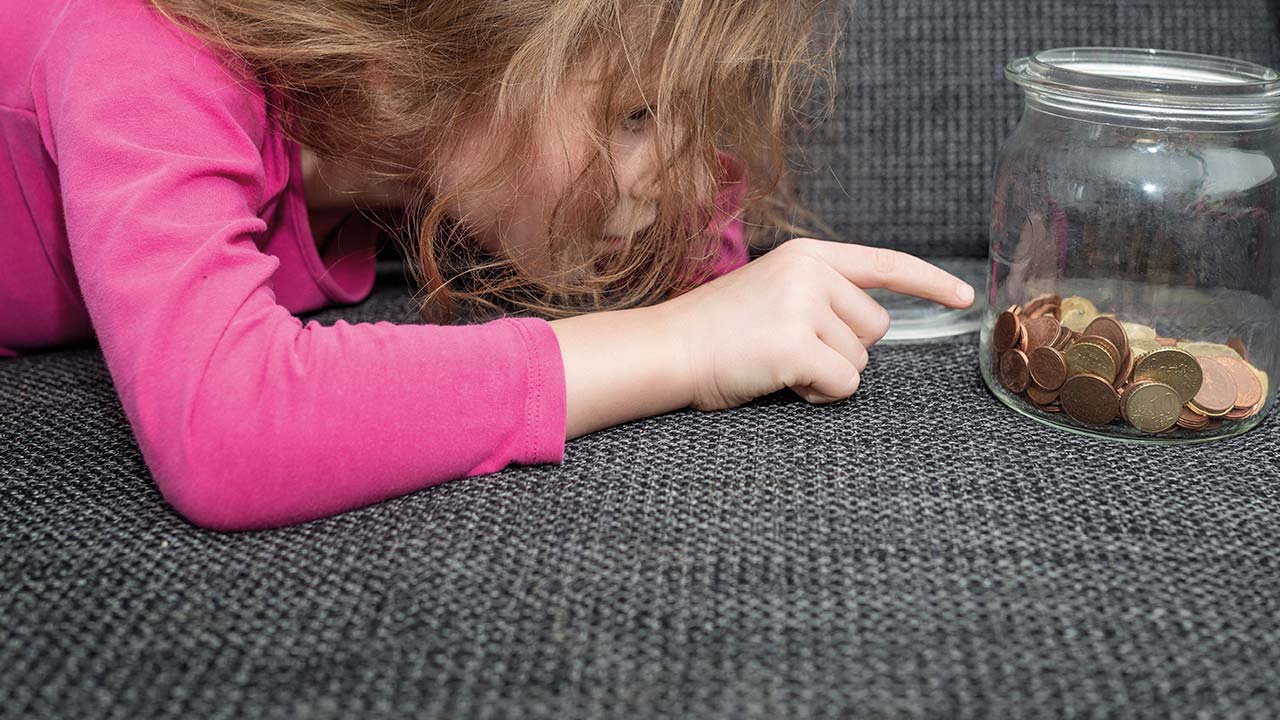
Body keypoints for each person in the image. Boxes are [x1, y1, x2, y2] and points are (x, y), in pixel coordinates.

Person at [0, 0, 975, 531]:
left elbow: (695, 244)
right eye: (635, 117)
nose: (674, 172)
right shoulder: (130, 41)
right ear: (415, 65)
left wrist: (710, 264)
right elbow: (229, 425)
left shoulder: (416, 142)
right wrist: (683, 342)